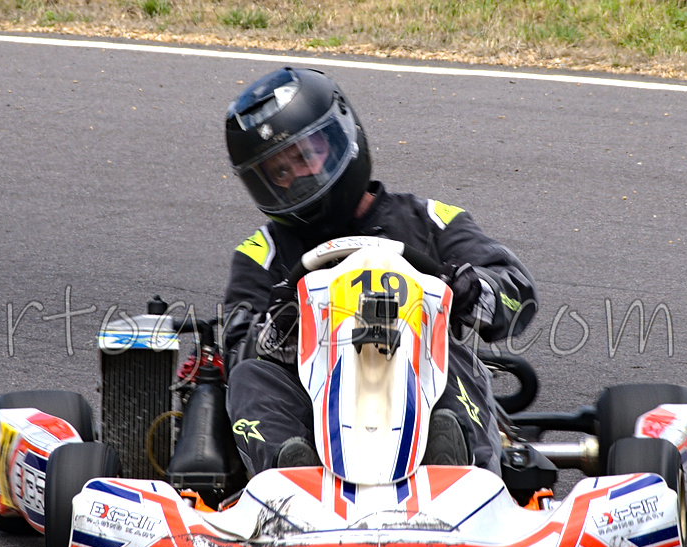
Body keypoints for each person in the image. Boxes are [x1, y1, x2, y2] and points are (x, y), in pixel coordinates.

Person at [221, 67, 537, 476]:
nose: (298, 177)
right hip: (313, 412)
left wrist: (473, 290)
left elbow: (517, 291)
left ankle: (458, 468)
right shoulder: (261, 252)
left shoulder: (429, 220)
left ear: (341, 139)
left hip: (422, 391)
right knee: (250, 377)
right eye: (280, 172)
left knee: (453, 355)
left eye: (305, 156)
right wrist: (277, 330)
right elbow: (235, 347)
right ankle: (291, 479)